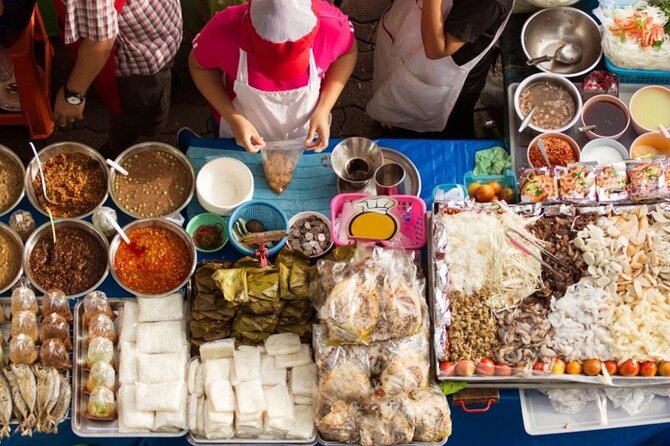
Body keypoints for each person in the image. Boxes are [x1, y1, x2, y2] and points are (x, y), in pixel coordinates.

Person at [188, 0, 357, 153]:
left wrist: (324, 108)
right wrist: (233, 118)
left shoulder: (332, 24)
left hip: (305, 131)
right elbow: (199, 66)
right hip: (240, 132)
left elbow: (348, 52)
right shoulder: (224, 29)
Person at [52, 0, 183, 157]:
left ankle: (114, 151)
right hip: (161, 20)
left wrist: (72, 96)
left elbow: (100, 43)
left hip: (141, 57)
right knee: (161, 79)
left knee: (136, 117)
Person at [367, 0, 513, 139]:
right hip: (409, 37)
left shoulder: (488, 3)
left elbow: (436, 49)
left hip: (444, 71)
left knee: (445, 127)